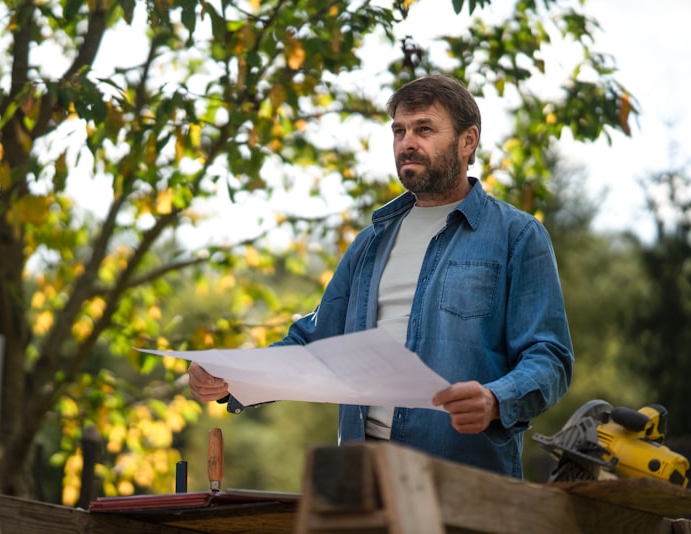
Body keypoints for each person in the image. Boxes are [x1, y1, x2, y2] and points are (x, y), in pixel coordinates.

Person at [188, 74, 573, 479]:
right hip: (360, 480)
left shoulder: (517, 236)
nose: (407, 142)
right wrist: (231, 376)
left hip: (462, 480)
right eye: (399, 131)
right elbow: (313, 344)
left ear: (468, 141)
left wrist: (496, 399)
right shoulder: (370, 243)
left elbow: (550, 359)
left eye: (424, 129)